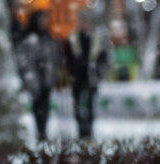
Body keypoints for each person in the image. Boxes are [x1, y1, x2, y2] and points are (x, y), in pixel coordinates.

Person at [65, 11, 110, 139]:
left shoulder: (96, 39)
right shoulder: (74, 39)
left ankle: (89, 129)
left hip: (91, 77)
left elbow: (103, 58)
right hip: (78, 77)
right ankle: (81, 129)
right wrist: (73, 70)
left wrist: (98, 72)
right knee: (78, 104)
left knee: (90, 104)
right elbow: (68, 58)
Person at [15, 10, 59, 142]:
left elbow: (53, 58)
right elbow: (24, 61)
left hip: (46, 79)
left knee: (45, 107)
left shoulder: (47, 38)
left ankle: (43, 132)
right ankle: (40, 132)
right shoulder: (29, 40)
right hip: (36, 80)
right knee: (38, 107)